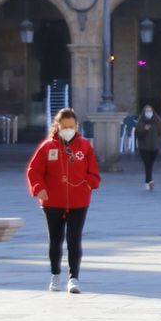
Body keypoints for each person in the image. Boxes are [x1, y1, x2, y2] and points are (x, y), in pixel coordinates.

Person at [25, 108, 100, 294]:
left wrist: (89, 184)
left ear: (76, 126)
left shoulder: (84, 147)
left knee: (74, 240)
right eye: (64, 126)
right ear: (57, 126)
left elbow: (94, 173)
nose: (68, 129)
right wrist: (38, 188)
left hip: (78, 201)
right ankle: (55, 274)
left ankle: (73, 278)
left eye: (71, 126)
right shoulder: (47, 147)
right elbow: (34, 170)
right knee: (55, 240)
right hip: (52, 202)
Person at [135, 101, 161, 193]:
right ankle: (149, 181)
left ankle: (149, 180)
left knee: (150, 164)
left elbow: (160, 132)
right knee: (147, 164)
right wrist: (144, 130)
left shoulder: (157, 120)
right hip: (144, 147)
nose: (149, 112)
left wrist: (158, 143)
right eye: (147, 111)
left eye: (150, 111)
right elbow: (137, 134)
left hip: (154, 147)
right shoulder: (141, 121)